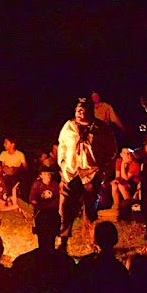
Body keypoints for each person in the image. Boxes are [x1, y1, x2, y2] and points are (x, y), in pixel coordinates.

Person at [57, 97, 117, 239]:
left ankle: (93, 239)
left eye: (83, 110)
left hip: (91, 174)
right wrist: (63, 164)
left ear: (90, 111)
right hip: (71, 174)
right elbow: (62, 145)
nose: (80, 113)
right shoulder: (69, 126)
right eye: (78, 110)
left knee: (90, 210)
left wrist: (101, 173)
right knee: (65, 209)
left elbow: (111, 152)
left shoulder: (102, 129)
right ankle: (63, 239)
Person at [0, 138, 27, 202]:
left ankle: (14, 198)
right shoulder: (3, 153)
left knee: (14, 178)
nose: (4, 144)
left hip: (16, 174)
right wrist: (6, 169)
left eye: (6, 143)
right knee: (5, 177)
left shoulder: (20, 154)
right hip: (6, 173)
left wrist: (14, 169)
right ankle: (7, 197)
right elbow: (2, 165)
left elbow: (25, 167)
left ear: (12, 145)